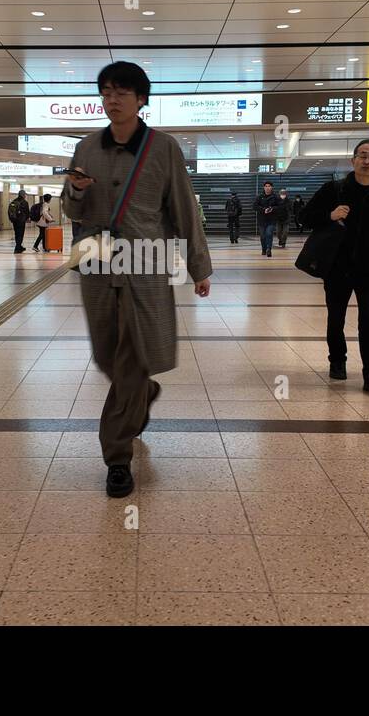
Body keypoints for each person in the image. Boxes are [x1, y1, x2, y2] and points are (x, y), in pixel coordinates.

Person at [62, 61, 211, 498]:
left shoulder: (163, 148)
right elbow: (70, 210)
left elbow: (183, 208)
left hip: (147, 261)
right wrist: (77, 191)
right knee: (108, 356)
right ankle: (143, 392)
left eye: (123, 92)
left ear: (142, 99)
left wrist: (199, 267)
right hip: (95, 261)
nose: (113, 99)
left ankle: (117, 457)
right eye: (107, 91)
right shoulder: (86, 146)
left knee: (131, 357)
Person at [299, 139, 369, 391]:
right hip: (337, 267)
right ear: (353, 160)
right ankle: (337, 361)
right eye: (362, 155)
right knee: (336, 317)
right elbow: (304, 218)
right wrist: (329, 216)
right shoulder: (334, 189)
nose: (366, 160)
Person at [253, 181, 280, 257]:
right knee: (262, 236)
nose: (267, 187)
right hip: (262, 219)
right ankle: (264, 249)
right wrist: (263, 209)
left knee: (269, 233)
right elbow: (254, 206)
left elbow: (279, 207)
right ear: (264, 187)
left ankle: (269, 249)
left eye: (269, 186)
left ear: (272, 187)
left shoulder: (275, 197)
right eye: (266, 186)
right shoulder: (259, 196)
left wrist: (272, 209)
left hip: (271, 219)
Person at [7, 189, 29, 253]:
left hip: (14, 221)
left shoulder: (14, 201)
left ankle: (19, 246)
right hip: (21, 221)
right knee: (20, 234)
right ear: (23, 195)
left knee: (17, 234)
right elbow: (27, 212)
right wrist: (27, 218)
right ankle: (17, 248)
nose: (25, 196)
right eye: (25, 194)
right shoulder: (24, 202)